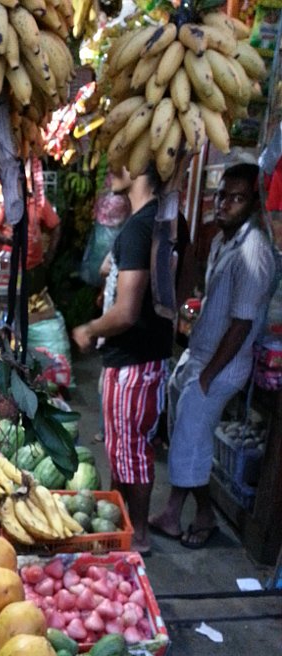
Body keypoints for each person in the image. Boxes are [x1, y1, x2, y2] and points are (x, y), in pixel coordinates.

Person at [150, 162, 279, 548]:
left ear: (254, 203)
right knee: (186, 433)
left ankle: (203, 517)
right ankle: (175, 512)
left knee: (192, 437)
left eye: (235, 198)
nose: (223, 204)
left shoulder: (253, 253)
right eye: (221, 195)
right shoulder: (226, 241)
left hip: (221, 366)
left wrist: (208, 376)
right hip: (201, 355)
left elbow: (241, 325)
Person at [72, 162, 185, 555]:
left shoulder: (142, 227)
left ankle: (137, 536)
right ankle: (122, 524)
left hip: (133, 362)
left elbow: (126, 312)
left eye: (119, 158)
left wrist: (89, 329)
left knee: (133, 454)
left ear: (139, 166)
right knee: (126, 450)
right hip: (146, 358)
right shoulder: (163, 220)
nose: (109, 170)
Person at [0, 173, 61, 295]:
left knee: (33, 303)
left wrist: (50, 254)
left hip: (33, 268)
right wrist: (6, 239)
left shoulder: (40, 203)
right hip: (8, 267)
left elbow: (56, 226)